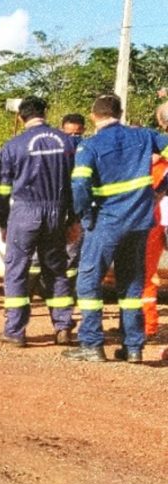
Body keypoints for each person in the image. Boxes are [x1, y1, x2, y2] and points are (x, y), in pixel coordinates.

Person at [64, 94, 168, 363]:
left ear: (93, 115)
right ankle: (133, 348)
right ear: (120, 113)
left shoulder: (90, 147)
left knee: (88, 283)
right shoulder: (144, 136)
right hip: (139, 223)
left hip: (105, 222)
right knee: (132, 286)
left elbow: (79, 186)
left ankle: (92, 345)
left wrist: (84, 216)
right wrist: (160, 191)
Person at [0, 97, 74, 347]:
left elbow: (2, 191)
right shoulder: (68, 142)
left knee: (16, 270)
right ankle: (63, 328)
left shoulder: (13, 146)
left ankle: (15, 331)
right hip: (57, 211)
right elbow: (77, 184)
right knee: (56, 269)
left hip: (25, 211)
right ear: (45, 112)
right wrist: (75, 218)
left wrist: (4, 221)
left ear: (20, 117)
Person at [140, 103, 168, 337]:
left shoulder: (156, 159)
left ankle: (147, 326)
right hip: (157, 217)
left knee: (147, 274)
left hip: (156, 219)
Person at [59, 112, 88, 287]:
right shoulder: (57, 150)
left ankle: (68, 290)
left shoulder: (88, 149)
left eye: (77, 134)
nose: (73, 138)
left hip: (79, 208)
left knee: (73, 250)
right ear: (61, 130)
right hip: (58, 206)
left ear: (84, 130)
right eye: (69, 134)